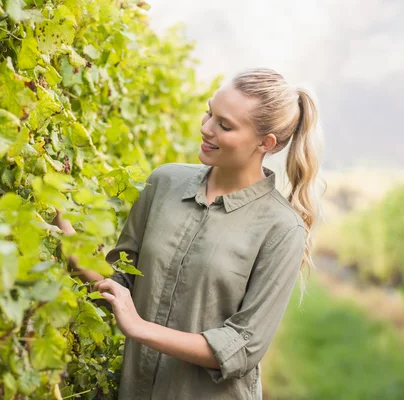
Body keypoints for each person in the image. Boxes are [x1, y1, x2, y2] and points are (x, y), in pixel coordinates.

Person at [52, 67, 323, 400]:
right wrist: (77, 255)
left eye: (224, 125)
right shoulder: (164, 183)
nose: (205, 128)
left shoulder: (282, 228)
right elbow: (124, 287)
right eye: (210, 112)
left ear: (264, 143)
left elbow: (242, 347)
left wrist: (139, 328)